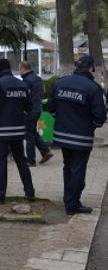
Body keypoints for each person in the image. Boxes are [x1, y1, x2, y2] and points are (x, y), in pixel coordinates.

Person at [45, 55, 107, 215]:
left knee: (68, 166)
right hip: (81, 137)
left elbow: (50, 107)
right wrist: (90, 126)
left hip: (62, 135)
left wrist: (59, 119)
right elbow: (100, 116)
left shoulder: (60, 83)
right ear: (91, 68)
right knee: (78, 169)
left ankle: (69, 199)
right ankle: (72, 204)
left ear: (76, 67)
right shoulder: (93, 88)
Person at [0, 59, 35, 204]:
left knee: (1, 162)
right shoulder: (21, 84)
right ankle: (30, 191)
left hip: (1, 130)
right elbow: (29, 106)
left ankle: (0, 195)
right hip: (18, 129)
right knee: (21, 160)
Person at [19, 61, 54, 167]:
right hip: (38, 109)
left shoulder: (26, 81)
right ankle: (46, 151)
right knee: (33, 132)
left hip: (30, 111)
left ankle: (30, 160)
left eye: (20, 69)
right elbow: (43, 91)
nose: (19, 71)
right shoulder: (38, 78)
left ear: (23, 69)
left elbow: (25, 96)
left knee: (29, 135)